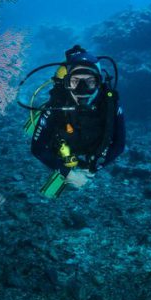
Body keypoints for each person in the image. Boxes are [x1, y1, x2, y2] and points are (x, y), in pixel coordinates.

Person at [30, 45, 126, 197]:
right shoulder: (57, 105)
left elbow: (119, 144)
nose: (82, 89)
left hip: (92, 152)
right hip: (64, 149)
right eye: (75, 81)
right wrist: (68, 173)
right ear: (66, 83)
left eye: (90, 82)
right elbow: (38, 148)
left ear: (99, 83)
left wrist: (96, 167)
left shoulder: (110, 104)